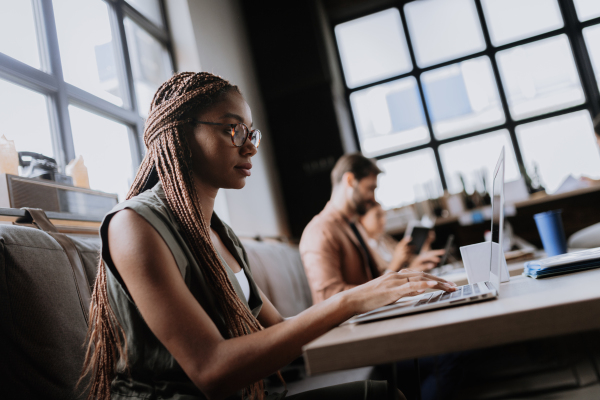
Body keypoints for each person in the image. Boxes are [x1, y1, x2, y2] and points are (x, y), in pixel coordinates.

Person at [80, 72, 457, 400]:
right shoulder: (134, 225)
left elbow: (280, 330)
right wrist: (349, 302)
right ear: (180, 133)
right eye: (233, 129)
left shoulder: (218, 232)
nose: (250, 147)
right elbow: (211, 371)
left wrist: (389, 302)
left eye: (252, 133)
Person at [299, 154, 445, 304]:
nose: (373, 198)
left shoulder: (353, 226)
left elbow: (374, 281)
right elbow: (328, 297)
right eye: (370, 188)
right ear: (350, 181)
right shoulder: (320, 231)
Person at [360, 202, 443, 274]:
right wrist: (398, 263)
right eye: (377, 216)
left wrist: (426, 243)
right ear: (362, 219)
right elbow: (376, 282)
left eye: (384, 215)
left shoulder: (385, 240)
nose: (383, 220)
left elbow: (410, 261)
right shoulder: (363, 249)